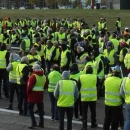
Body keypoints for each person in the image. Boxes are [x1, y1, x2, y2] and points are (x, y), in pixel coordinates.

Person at [103, 65, 123, 130]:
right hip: (116, 105)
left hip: (107, 103)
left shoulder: (107, 80)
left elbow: (103, 88)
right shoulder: (121, 81)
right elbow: (122, 93)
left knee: (107, 120)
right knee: (115, 122)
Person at [27, 63, 46, 129]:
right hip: (40, 95)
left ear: (34, 69)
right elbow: (45, 85)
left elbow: (29, 87)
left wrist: (28, 93)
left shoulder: (33, 76)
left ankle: (33, 123)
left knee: (30, 109)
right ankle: (41, 123)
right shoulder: (44, 76)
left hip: (32, 95)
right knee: (40, 110)